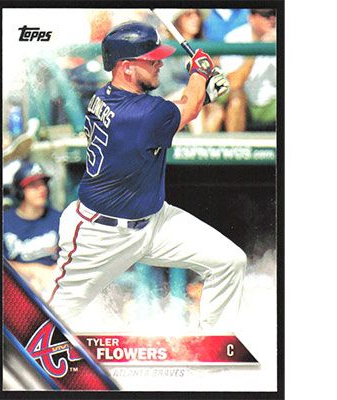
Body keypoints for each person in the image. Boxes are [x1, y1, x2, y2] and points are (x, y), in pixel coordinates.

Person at [49, 21, 246, 333]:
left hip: (154, 221)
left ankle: (215, 344)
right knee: (47, 322)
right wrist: (200, 72)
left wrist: (203, 96)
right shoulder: (140, 114)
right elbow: (184, 109)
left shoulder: (107, 96)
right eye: (151, 59)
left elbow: (171, 112)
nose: (160, 64)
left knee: (229, 261)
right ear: (126, 67)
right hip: (100, 235)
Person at [156, 9, 225, 134]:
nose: (195, 18)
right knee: (192, 98)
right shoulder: (166, 45)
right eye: (188, 15)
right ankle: (198, 144)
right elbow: (164, 85)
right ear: (178, 20)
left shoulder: (204, 49)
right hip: (163, 101)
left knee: (216, 111)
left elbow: (216, 88)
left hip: (194, 101)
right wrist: (194, 89)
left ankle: (203, 144)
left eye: (197, 14)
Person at [3, 161, 62, 300]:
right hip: (18, 290)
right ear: (20, 191)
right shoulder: (4, 222)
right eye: (33, 185)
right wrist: (33, 270)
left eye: (43, 184)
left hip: (54, 287)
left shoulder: (60, 218)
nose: (42, 189)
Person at [220, 9, 276, 132]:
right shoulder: (235, 38)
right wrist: (257, 48)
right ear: (252, 17)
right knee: (236, 96)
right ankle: (234, 144)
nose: (272, 19)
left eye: (275, 14)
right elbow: (234, 83)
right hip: (245, 104)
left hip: (273, 103)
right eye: (266, 15)